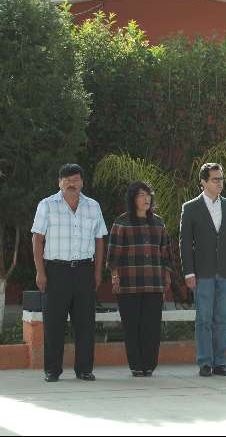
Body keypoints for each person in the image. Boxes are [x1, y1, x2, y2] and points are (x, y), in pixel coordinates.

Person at [31, 164, 108, 383]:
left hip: (84, 270)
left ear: (82, 182)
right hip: (55, 271)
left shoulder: (93, 206)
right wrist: (40, 272)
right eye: (67, 180)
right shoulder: (47, 205)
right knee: (54, 324)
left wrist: (97, 271)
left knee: (85, 323)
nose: (71, 184)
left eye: (75, 179)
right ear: (59, 183)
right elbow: (37, 239)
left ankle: (84, 369)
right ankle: (52, 370)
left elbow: (100, 239)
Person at [179, 163, 226, 378]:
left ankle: (221, 362)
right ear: (203, 182)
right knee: (204, 318)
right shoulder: (190, 208)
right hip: (202, 272)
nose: (220, 183)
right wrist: (188, 272)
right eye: (215, 179)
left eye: (221, 179)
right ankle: (205, 362)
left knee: (222, 319)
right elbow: (185, 243)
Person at [107, 181, 173, 377]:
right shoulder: (122, 222)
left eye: (148, 195)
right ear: (132, 199)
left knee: (151, 326)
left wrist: (167, 275)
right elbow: (113, 255)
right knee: (132, 325)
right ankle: (136, 365)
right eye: (141, 195)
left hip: (154, 283)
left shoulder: (159, 223)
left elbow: (166, 253)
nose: (146, 199)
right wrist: (114, 276)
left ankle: (149, 365)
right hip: (129, 284)